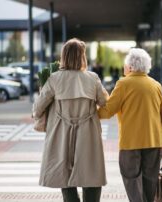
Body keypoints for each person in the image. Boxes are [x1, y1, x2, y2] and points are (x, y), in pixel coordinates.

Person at [32, 38, 108, 202]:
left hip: (61, 133)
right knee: (91, 174)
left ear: (64, 56)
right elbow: (105, 103)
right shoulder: (92, 78)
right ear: (82, 57)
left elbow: (38, 108)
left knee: (64, 175)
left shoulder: (54, 79)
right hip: (88, 133)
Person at [98, 48, 162, 202]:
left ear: (130, 67)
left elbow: (108, 111)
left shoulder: (123, 84)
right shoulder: (155, 85)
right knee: (150, 182)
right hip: (154, 143)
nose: (124, 68)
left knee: (132, 182)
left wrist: (90, 113)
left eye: (125, 65)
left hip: (130, 145)